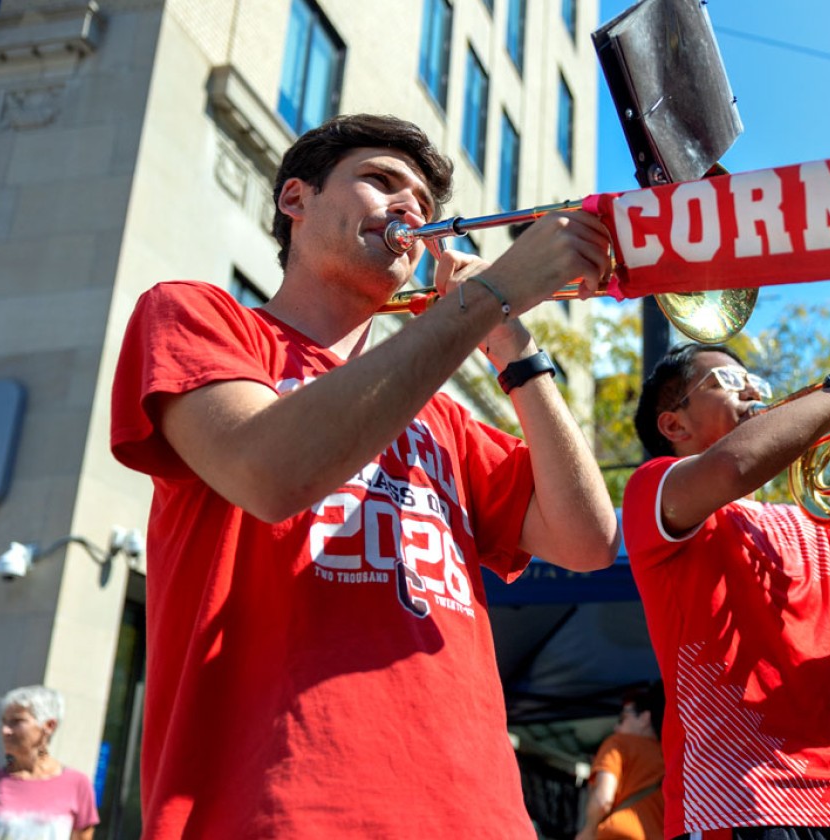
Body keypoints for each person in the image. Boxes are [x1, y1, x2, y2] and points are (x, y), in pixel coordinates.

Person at [109, 114, 619, 838]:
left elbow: (588, 540)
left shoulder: (443, 419)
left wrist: (514, 346)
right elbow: (271, 472)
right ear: (296, 201)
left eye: (425, 203)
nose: (411, 209)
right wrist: (493, 293)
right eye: (381, 181)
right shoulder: (196, 315)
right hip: (280, 809)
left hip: (480, 816)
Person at [623, 322, 830, 840]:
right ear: (673, 426)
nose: (753, 388)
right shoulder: (651, 489)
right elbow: (734, 467)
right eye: (724, 380)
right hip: (736, 801)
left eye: (752, 378)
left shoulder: (813, 524)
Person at [0, 686, 98, 840]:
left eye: (16, 721)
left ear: (49, 726)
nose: (5, 731)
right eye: (4, 722)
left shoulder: (77, 785)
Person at [576, 683, 667, 840]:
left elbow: (603, 799)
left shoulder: (618, 743)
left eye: (622, 718)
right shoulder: (669, 758)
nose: (616, 727)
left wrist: (589, 831)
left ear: (645, 718)